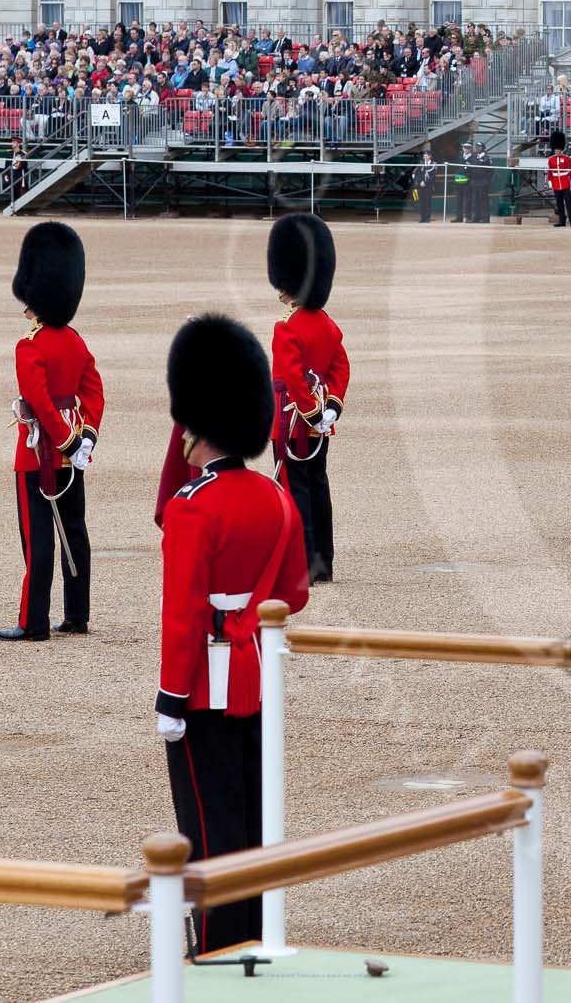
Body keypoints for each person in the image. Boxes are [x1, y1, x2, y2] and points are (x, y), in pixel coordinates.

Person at [154, 313, 311, 953]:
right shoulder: (276, 498)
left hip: (204, 681)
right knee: (252, 810)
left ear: (196, 426)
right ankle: (255, 930)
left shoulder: (195, 507)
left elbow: (183, 614)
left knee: (208, 815)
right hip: (257, 670)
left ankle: (218, 942)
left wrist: (169, 698)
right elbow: (293, 593)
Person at [1, 222, 104, 642]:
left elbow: (39, 403)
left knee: (38, 538)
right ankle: (77, 614)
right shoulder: (75, 341)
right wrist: (85, 438)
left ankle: (34, 621)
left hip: (37, 452)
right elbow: (94, 392)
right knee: (75, 530)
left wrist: (61, 440)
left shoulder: (31, 345)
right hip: (72, 453)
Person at [268, 213, 349, 585]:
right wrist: (329, 409)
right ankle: (323, 562)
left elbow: (290, 378)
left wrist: (311, 413)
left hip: (292, 424)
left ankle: (301, 564)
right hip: (320, 425)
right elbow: (340, 370)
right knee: (318, 487)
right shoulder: (329, 325)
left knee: (294, 490)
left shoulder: (287, 328)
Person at [547, 130, 571, 227]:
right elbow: (550, 171)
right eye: (555, 149)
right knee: (559, 204)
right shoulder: (551, 159)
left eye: (558, 149)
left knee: (568, 203)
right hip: (556, 183)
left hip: (565, 182)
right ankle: (562, 221)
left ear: (561, 149)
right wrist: (550, 181)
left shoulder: (567, 158)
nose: (557, 151)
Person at [412, 148, 438, 224]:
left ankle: (427, 218)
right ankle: (422, 218)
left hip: (429, 186)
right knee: (421, 202)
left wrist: (425, 182)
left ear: (430, 156)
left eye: (426, 155)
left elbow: (433, 176)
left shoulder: (434, 164)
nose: (425, 157)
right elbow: (418, 174)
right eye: (424, 155)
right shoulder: (421, 163)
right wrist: (420, 182)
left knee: (428, 202)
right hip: (421, 185)